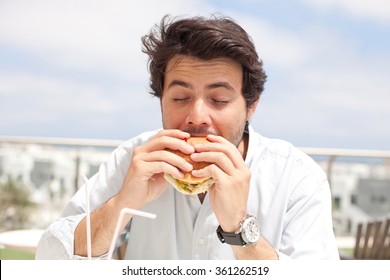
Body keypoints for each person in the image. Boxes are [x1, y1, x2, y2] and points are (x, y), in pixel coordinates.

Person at [36, 14, 340, 260]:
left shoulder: (297, 177)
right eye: (181, 97)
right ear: (161, 102)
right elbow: (50, 263)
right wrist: (122, 203)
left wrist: (239, 226)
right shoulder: (133, 159)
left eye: (219, 100)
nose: (196, 116)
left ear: (251, 107)